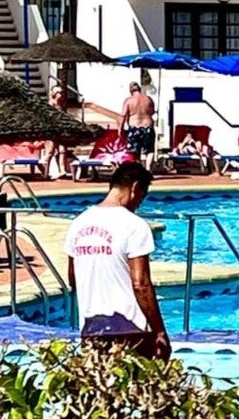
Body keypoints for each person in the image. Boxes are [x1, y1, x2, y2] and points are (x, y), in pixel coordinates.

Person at [63, 161, 170, 359]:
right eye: (141, 198)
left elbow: (73, 278)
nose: (138, 204)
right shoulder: (134, 225)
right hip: (132, 330)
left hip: (91, 328)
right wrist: (160, 331)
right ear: (135, 188)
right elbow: (141, 284)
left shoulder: (78, 224)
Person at [121, 80, 158, 164]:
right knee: (149, 150)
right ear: (140, 89)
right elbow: (152, 112)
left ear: (131, 90)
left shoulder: (129, 101)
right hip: (147, 127)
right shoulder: (149, 99)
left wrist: (120, 128)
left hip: (134, 127)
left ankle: (138, 168)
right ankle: (148, 169)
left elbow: (123, 115)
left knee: (135, 152)